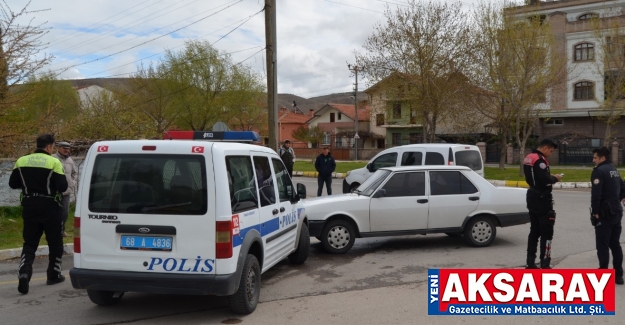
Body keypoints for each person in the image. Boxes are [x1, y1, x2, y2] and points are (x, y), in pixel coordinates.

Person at [9, 134, 68, 294]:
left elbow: (12, 184)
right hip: (50, 207)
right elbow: (62, 187)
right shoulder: (54, 162)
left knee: (29, 243)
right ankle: (53, 274)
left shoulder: (22, 160)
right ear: (49, 147)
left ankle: (24, 273)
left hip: (29, 206)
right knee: (55, 242)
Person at [523, 139, 562, 269]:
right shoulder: (539, 160)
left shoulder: (529, 157)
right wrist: (555, 178)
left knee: (534, 231)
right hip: (542, 198)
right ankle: (545, 263)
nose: (550, 153)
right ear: (545, 148)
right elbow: (544, 180)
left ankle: (530, 262)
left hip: (532, 196)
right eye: (550, 151)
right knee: (546, 232)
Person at [590, 146, 625, 285]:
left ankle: (603, 275)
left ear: (602, 158)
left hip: (605, 213)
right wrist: (621, 197)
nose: (593, 160)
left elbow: (596, 194)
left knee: (602, 245)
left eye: (595, 158)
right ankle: (618, 275)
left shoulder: (599, 171)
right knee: (615, 244)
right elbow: (623, 186)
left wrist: (595, 212)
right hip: (616, 211)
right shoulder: (613, 169)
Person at [53, 141, 77, 237]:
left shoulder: (70, 160)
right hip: (54, 192)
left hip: (66, 192)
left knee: (65, 213)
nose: (66, 150)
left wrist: (72, 183)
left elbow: (74, 173)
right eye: (64, 148)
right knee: (53, 212)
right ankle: (53, 231)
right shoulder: (52, 158)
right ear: (58, 148)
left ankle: (61, 231)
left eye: (68, 148)